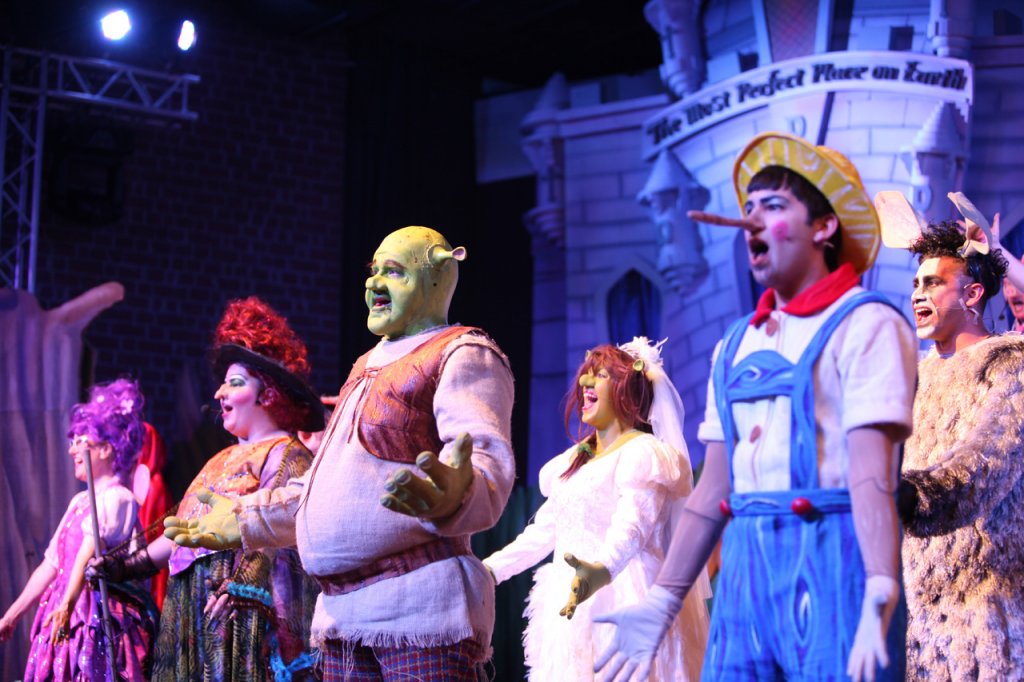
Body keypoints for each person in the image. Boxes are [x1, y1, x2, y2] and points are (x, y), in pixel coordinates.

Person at [594, 132, 918, 681]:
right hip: (745, 575)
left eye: (773, 206)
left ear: (824, 227)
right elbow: (713, 491)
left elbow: (871, 477)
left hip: (833, 562)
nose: (751, 221)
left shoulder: (867, 325)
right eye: (748, 207)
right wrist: (663, 599)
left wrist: (879, 584)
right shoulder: (735, 344)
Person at [165, 226, 516, 681]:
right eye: (373, 271)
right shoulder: (366, 365)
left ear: (437, 276)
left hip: (417, 614)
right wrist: (245, 520)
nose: (374, 283)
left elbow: (485, 464)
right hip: (341, 622)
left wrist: (457, 493)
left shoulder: (461, 351)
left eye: (394, 271)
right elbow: (321, 492)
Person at [88, 296, 322, 681]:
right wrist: (125, 565)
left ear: (267, 392)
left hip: (242, 618)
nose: (219, 393)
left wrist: (245, 588)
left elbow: (279, 532)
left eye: (235, 383)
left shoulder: (286, 454)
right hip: (194, 606)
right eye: (222, 383)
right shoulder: (219, 460)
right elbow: (183, 533)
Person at [482, 338, 709, 681]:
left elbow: (633, 526)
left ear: (627, 390)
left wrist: (602, 570)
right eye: (587, 374)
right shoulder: (574, 459)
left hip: (622, 593)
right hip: (570, 600)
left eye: (600, 375)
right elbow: (545, 531)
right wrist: (489, 570)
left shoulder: (643, 453)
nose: (585, 383)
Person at [897, 219, 1024, 679]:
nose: (918, 295)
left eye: (933, 283)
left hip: (991, 606)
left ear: (972, 295)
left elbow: (987, 461)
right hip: (921, 610)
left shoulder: (1009, 361)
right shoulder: (914, 376)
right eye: (915, 284)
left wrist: (908, 495)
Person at [0, 378, 155, 681]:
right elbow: (51, 564)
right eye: (72, 441)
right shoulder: (80, 501)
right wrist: (12, 616)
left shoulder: (117, 498)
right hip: (66, 614)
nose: (72, 450)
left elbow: (88, 553)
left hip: (93, 619)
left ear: (106, 449)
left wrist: (69, 604)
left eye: (81, 441)